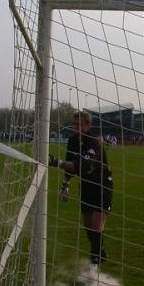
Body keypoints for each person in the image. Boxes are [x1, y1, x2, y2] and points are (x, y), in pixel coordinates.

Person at [49, 111, 113, 268]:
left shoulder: (95, 142)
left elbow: (82, 166)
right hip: (86, 187)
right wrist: (65, 186)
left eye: (79, 124)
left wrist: (55, 162)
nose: (75, 127)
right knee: (89, 230)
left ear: (88, 125)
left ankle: (93, 272)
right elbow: (71, 168)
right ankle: (101, 250)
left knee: (97, 228)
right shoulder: (72, 142)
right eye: (74, 124)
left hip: (102, 187)